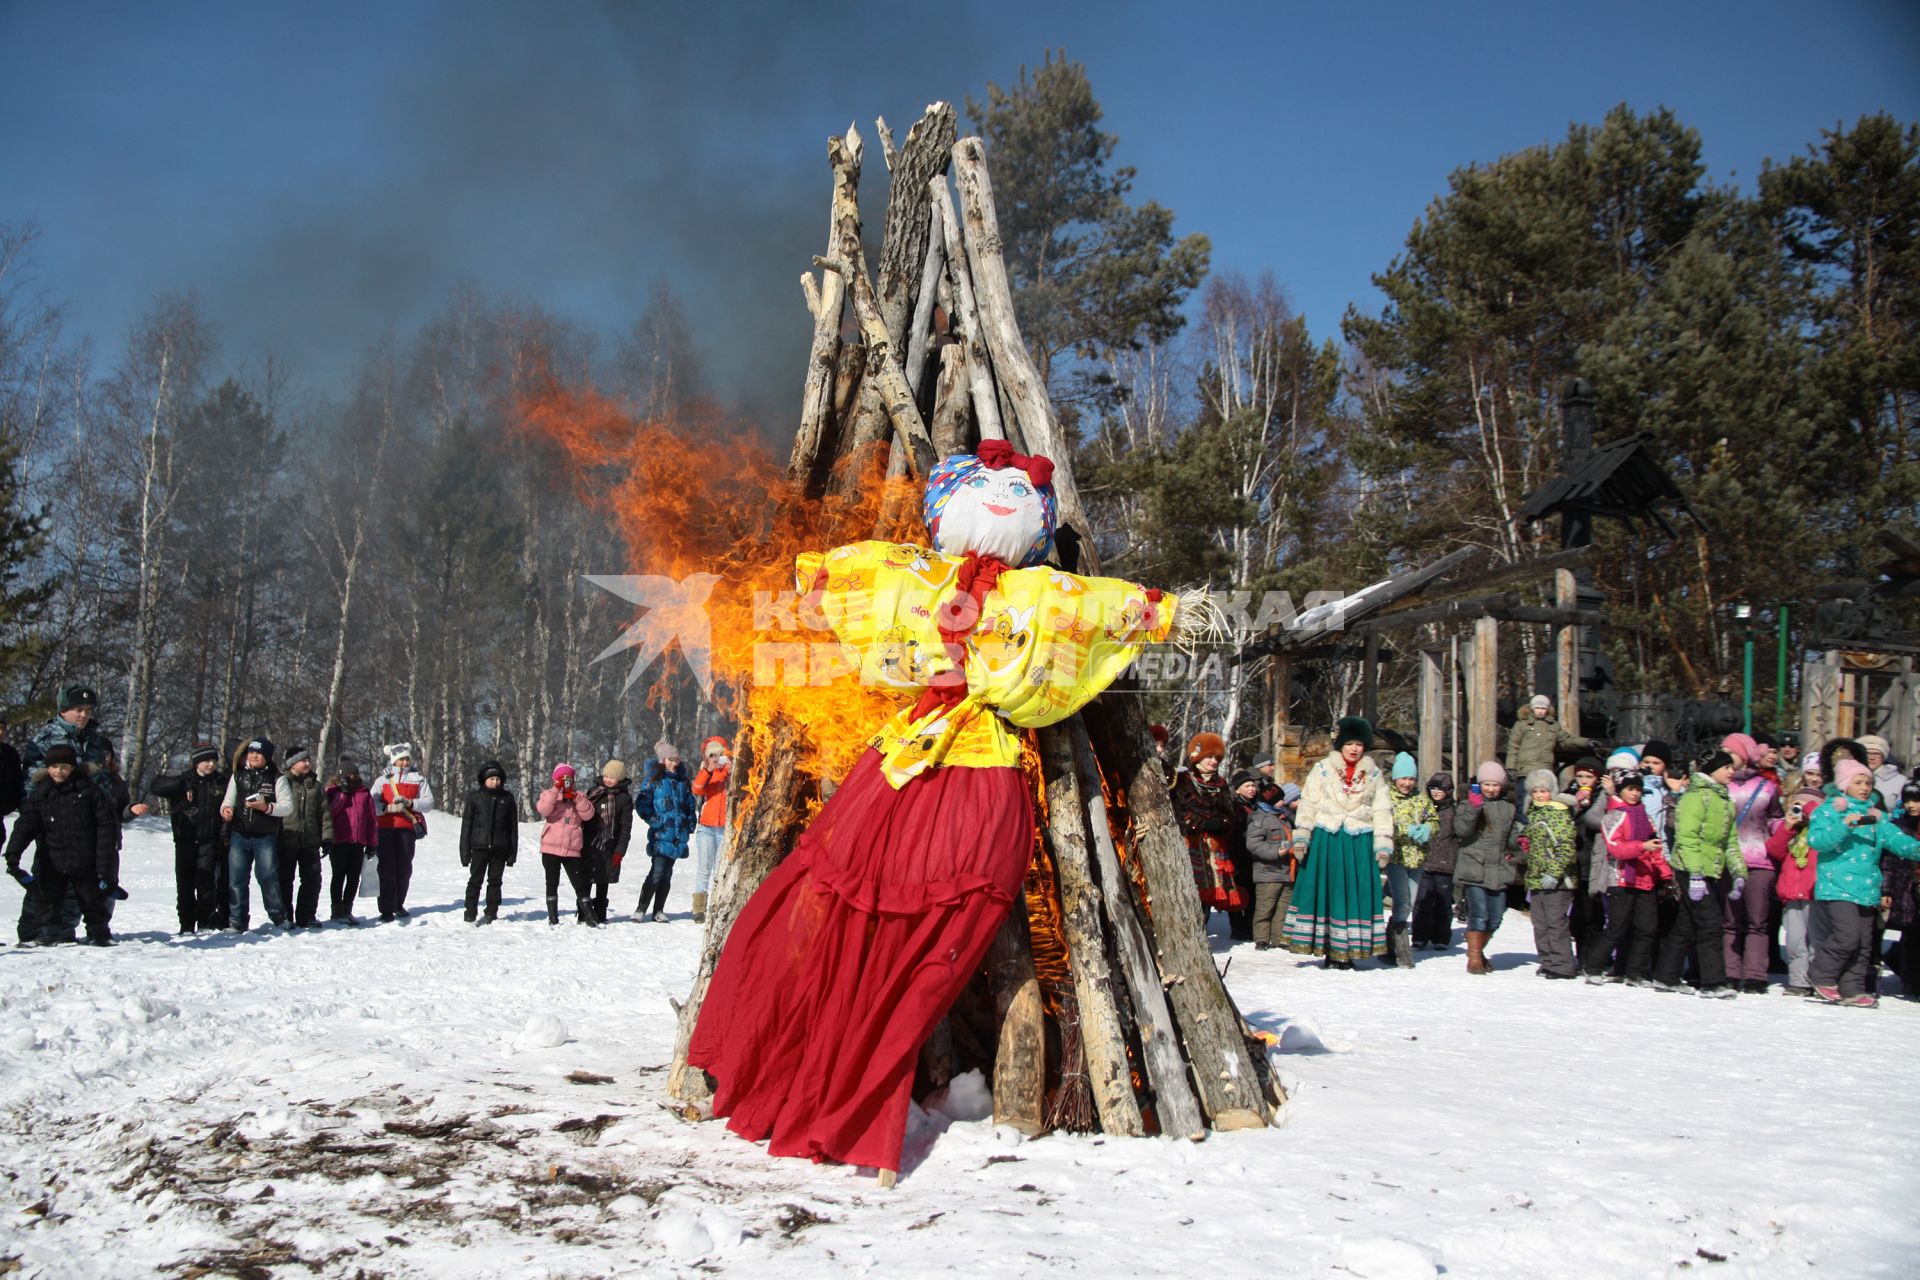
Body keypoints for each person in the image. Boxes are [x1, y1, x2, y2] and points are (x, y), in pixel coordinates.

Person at [688, 441, 1191, 1174]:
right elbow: (866, 573)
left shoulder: (1035, 593)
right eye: (988, 488)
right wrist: (824, 577)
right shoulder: (920, 575)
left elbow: (1099, 604)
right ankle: (787, 1065)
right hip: (902, 773)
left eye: (1017, 493)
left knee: (926, 941)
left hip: (973, 776)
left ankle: (853, 1089)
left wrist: (1164, 610)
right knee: (833, 908)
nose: (999, 501)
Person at [1807, 758, 1920, 1006]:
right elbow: (1817, 841)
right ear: (1844, 785)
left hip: (1867, 888)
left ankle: (1853, 989)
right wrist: (1845, 826)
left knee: (1864, 944)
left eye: (1868, 782)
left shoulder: (1876, 816)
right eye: (1858, 782)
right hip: (1837, 886)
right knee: (1847, 936)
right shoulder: (1828, 811)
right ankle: (1821, 974)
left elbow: (1899, 842)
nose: (1864, 787)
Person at [1282, 716, 1393, 969]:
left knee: (1355, 894)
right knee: (1329, 893)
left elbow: (1382, 809)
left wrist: (1383, 842)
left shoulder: (1373, 773)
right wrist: (1302, 835)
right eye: (1349, 743)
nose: (1354, 749)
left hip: (1359, 841)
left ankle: (1349, 950)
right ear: (1340, 744)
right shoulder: (1322, 769)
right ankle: (1330, 950)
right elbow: (1309, 803)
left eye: (1359, 744)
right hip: (1328, 839)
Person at [3, 745, 118, 946]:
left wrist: (104, 862)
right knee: (47, 899)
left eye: (64, 766)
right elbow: (26, 825)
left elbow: (105, 826)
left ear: (73, 767)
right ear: (47, 768)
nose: (59, 771)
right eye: (54, 766)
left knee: (92, 899)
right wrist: (13, 852)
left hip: (85, 857)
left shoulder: (89, 791)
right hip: (53, 857)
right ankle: (47, 935)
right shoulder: (41, 794)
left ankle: (99, 934)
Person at [1653, 749, 1743, 997]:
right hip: (1692, 868)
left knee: (1686, 924)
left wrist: (1738, 873)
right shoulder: (1695, 797)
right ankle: (1713, 982)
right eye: (1727, 767)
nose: (1731, 772)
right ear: (1713, 769)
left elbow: (1730, 839)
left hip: (1711, 868)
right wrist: (1694, 874)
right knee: (1710, 923)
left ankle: (1666, 976)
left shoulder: (1723, 799)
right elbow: (1686, 837)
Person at [1720, 733, 1781, 994]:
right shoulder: (1720, 785)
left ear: (1744, 755)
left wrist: (1784, 828)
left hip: (1759, 859)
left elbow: (1774, 817)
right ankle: (1730, 971)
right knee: (1730, 920)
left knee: (1758, 921)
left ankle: (1755, 974)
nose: (1725, 755)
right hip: (1727, 860)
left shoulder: (1767, 787)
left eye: (1729, 751)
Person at [1172, 732, 1247, 935]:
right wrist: (1201, 823)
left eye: (1217, 758)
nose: (1213, 762)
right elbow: (1178, 812)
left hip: (1215, 848)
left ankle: (1201, 933)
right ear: (1197, 756)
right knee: (1191, 893)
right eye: (1209, 756)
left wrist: (1222, 824)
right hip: (1191, 845)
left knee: (1209, 896)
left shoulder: (1221, 785)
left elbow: (1230, 815)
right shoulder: (1182, 781)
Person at [1595, 773, 1666, 986]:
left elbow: (1656, 848)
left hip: (1645, 879)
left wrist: (1666, 874)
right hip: (1621, 878)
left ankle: (1636, 972)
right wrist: (1641, 847)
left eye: (1637, 789)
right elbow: (1615, 849)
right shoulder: (1614, 815)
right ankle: (1593, 966)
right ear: (1621, 791)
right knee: (1617, 927)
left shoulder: (1646, 817)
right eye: (1630, 789)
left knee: (1647, 928)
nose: (1634, 794)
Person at [150, 743, 228, 933]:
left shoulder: (221, 781)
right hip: (185, 839)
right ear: (196, 763)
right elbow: (156, 785)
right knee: (185, 885)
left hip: (209, 839)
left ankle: (205, 922)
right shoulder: (184, 779)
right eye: (206, 761)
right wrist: (181, 784)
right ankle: (186, 924)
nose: (210, 765)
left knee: (207, 883)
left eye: (213, 761)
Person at [1452, 761, 1520, 974]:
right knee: (1479, 914)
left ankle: (1478, 950)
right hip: (1474, 867)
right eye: (1486, 784)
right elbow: (1461, 830)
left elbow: (1511, 838)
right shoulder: (1467, 804)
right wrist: (1473, 807)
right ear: (1479, 784)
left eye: (1495, 785)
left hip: (1498, 869)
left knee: (1496, 916)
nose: (1490, 789)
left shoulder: (1509, 808)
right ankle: (1474, 959)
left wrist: (1519, 845)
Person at [221, 738, 292, 931]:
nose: (253, 756)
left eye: (258, 754)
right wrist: (226, 810)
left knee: (268, 876)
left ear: (267, 757)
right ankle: (237, 921)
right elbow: (228, 801)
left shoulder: (278, 778)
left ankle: (279, 917)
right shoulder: (238, 776)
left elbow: (287, 807)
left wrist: (266, 807)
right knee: (237, 879)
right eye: (251, 753)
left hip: (265, 836)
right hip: (240, 834)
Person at [1520, 770, 1580, 980]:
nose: (1539, 795)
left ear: (1551, 792)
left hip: (1558, 880)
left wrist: (1554, 873)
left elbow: (1566, 848)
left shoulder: (1558, 813)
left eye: (1543, 791)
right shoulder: (1534, 814)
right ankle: (1547, 960)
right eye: (1535, 791)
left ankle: (1562, 964)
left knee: (1555, 922)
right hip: (1537, 877)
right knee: (1540, 922)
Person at [370, 743, 433, 921]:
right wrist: (386, 808)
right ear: (394, 761)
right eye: (401, 760)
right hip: (385, 827)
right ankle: (386, 908)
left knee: (404, 867)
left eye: (407, 759)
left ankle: (399, 903)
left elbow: (428, 803)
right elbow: (371, 803)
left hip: (406, 828)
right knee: (386, 868)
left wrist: (410, 803)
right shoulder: (382, 780)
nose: (404, 762)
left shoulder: (418, 779)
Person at [635, 745, 697, 921]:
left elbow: (690, 804)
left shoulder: (682, 781)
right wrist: (655, 820)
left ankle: (658, 910)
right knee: (656, 871)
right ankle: (641, 909)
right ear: (663, 761)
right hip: (662, 833)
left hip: (678, 835)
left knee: (667, 874)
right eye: (671, 759)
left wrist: (690, 822)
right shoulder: (654, 780)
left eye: (677, 759)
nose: (675, 763)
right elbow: (642, 803)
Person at [1385, 752, 1435, 968]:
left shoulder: (1421, 799)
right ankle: (1401, 952)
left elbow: (1434, 819)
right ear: (1395, 778)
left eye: (1411, 779)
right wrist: (1405, 830)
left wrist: (1427, 828)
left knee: (1409, 902)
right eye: (1403, 778)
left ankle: (1389, 946)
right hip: (1397, 857)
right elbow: (1383, 824)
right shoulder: (1387, 798)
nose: (1407, 783)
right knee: (1403, 901)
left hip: (1418, 858)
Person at [456, 760, 520, 924]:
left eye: (498, 779)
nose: (495, 782)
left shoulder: (507, 798)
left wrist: (512, 853)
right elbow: (467, 826)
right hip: (479, 847)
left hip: (500, 848)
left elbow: (513, 828)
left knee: (495, 882)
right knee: (475, 881)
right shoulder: (474, 798)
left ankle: (492, 911)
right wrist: (465, 852)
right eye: (491, 779)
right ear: (484, 779)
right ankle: (470, 911)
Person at [276, 747, 333, 929]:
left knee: (312, 880)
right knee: (284, 880)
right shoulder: (282, 783)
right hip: (287, 840)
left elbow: (324, 814)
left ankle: (306, 916)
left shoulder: (316, 786)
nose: (308, 763)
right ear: (292, 764)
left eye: (309, 760)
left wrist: (327, 838)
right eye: (303, 760)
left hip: (310, 841)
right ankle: (285, 917)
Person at [1244, 770, 1294, 951]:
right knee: (1265, 907)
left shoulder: (1284, 819)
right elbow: (1254, 845)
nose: (1284, 802)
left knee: (1283, 908)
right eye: (1281, 799)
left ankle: (1278, 937)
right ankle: (1262, 938)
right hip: (1267, 872)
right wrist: (1276, 852)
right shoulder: (1260, 820)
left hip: (1286, 872)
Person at [1411, 773, 1460, 950]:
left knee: (1443, 903)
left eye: (1440, 789)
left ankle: (1441, 937)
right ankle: (1420, 937)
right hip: (1424, 861)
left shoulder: (1454, 811)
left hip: (1445, 862)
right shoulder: (1424, 807)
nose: (1436, 792)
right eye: (1433, 788)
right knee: (1422, 902)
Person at [325, 759, 376, 925]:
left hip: (358, 841)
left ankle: (347, 910)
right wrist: (343, 795)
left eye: (355, 774)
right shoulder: (332, 791)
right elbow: (330, 813)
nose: (352, 777)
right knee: (338, 876)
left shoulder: (364, 793)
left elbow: (370, 819)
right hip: (339, 841)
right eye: (349, 774)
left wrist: (372, 843)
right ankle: (336, 911)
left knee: (353, 877)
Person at [584, 760, 633, 925]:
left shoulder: (624, 798)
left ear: (619, 779)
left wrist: (620, 851)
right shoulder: (594, 792)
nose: (608, 780)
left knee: (603, 879)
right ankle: (584, 913)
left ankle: (600, 913)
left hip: (610, 845)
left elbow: (626, 828)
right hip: (590, 843)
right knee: (586, 879)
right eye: (606, 776)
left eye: (612, 777)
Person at [1504, 694, 1596, 781]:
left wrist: (1586, 742)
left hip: (1545, 771)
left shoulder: (1553, 726)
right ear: (1532, 708)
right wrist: (1511, 767)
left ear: (1547, 709)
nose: (1540, 711)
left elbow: (1566, 740)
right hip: (1525, 771)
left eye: (1543, 708)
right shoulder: (1521, 725)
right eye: (1537, 708)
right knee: (1524, 796)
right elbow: (1513, 746)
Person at [688, 738, 730, 923]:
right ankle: (698, 908)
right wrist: (708, 770)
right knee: (704, 868)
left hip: (725, 828)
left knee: (720, 870)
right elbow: (696, 789)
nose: (716, 758)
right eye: (712, 755)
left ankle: (717, 904)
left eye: (719, 754)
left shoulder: (730, 771)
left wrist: (730, 766)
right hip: (706, 827)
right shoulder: (705, 772)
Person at [1886, 781, 1920, 993]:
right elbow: (1889, 861)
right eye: (1907, 800)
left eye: (1916, 800)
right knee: (1911, 935)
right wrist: (1887, 889)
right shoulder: (1900, 825)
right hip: (1906, 888)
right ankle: (1912, 982)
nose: (1911, 805)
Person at [1858, 734, 1908, 813]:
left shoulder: (1900, 781)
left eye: (1876, 754)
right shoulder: (1850, 778)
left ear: (1883, 757)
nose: (1871, 758)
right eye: (1867, 753)